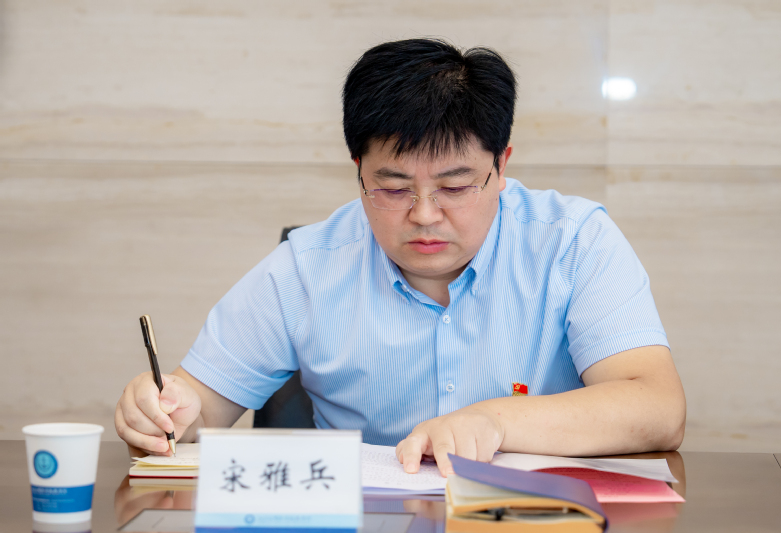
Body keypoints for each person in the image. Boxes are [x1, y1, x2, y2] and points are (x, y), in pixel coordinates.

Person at [115, 38, 686, 476]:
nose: (425, 214)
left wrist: (495, 420)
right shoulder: (307, 267)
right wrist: (165, 411)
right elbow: (200, 408)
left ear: (501, 166)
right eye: (393, 187)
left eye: (455, 186)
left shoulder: (572, 242)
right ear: (358, 170)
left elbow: (657, 407)